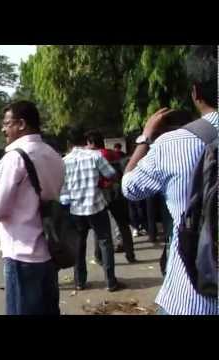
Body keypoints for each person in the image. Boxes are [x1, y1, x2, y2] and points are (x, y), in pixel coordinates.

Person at [122, 45, 218, 315]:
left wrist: (145, 138)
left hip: (191, 297)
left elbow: (129, 188)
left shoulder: (173, 142)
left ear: (196, 92)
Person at [0, 101, 65, 315]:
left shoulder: (15, 157)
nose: (3, 129)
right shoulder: (53, 154)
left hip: (21, 255)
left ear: (21, 124)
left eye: (6, 124)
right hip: (49, 251)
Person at [60, 126, 123, 292]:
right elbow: (111, 174)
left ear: (69, 143)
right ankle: (110, 282)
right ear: (85, 141)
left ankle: (80, 282)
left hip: (75, 209)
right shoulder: (95, 156)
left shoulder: (64, 161)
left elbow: (62, 187)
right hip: (97, 206)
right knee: (105, 243)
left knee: (79, 245)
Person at [85, 131, 136, 263]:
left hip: (100, 192)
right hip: (116, 191)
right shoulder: (114, 153)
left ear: (92, 143)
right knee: (123, 225)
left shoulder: (93, 156)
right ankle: (130, 254)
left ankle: (98, 256)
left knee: (99, 227)